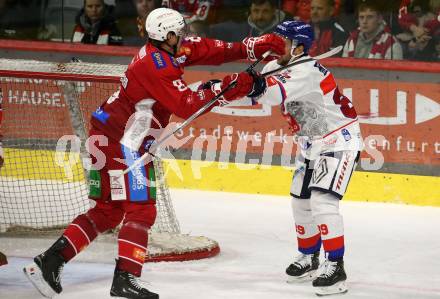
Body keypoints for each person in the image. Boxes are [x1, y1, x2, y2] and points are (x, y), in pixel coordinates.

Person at [23, 7, 285, 299]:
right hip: (125, 142)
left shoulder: (168, 48)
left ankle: (49, 262)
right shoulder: (156, 65)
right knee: (142, 208)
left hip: (108, 135)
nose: (184, 35)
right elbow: (186, 104)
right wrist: (228, 87)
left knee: (108, 211)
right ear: (167, 35)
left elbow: (209, 49)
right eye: (179, 32)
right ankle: (125, 278)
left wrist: (253, 47)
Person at [253, 20, 362, 296]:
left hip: (338, 138)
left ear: (299, 46)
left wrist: (251, 86)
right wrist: (224, 91)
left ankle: (336, 266)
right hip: (310, 143)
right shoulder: (274, 66)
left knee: (322, 201)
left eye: (282, 41)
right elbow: (256, 97)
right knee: (300, 201)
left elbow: (272, 93)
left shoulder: (308, 71)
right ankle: (310, 257)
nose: (275, 46)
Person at [209, 0, 291, 41]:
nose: (260, 16)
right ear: (250, 10)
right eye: (256, 11)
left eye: (265, 11)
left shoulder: (287, 28)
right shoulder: (238, 28)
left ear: (273, 11)